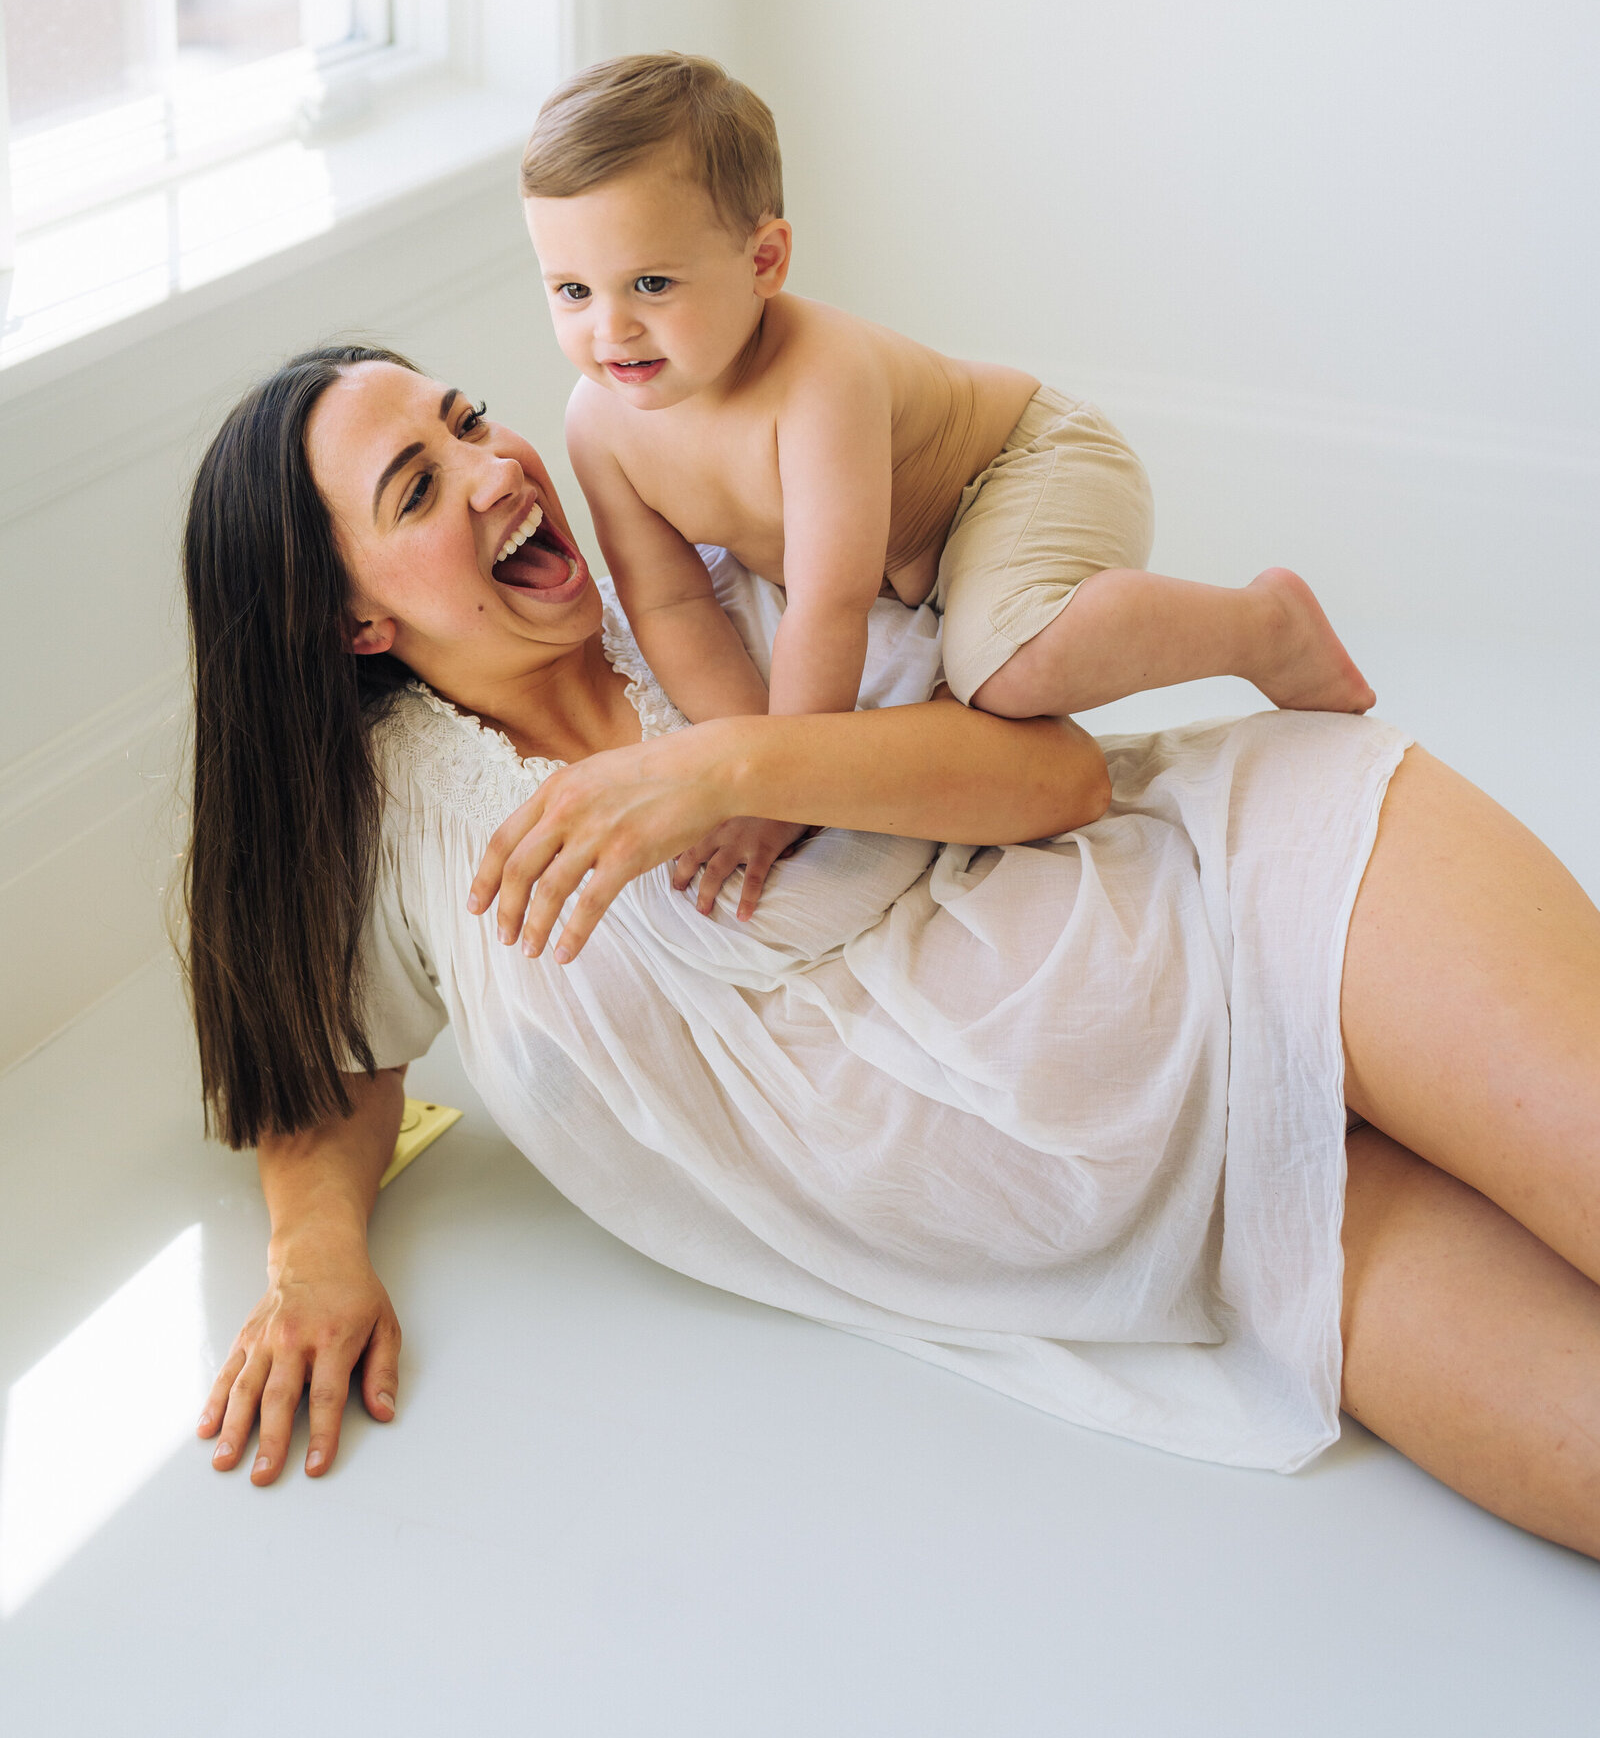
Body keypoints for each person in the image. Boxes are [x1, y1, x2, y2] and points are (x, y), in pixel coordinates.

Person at [185, 345, 1600, 1560]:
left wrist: (735, 768)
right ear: (352, 621)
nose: (494, 469)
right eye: (418, 487)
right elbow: (332, 1056)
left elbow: (1058, 784)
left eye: (468, 420)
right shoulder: (399, 829)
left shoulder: (698, 585)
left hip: (1279, 904)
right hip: (1203, 1208)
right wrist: (313, 1256)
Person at [520, 53, 1373, 914]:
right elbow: (671, 606)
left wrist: (776, 785)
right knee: (935, 732)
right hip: (911, 555)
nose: (611, 327)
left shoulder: (820, 377)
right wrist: (741, 762)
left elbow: (828, 602)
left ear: (765, 260)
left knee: (1008, 674)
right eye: (572, 290)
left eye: (653, 283)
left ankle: (1263, 627)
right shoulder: (598, 425)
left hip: (1025, 467)